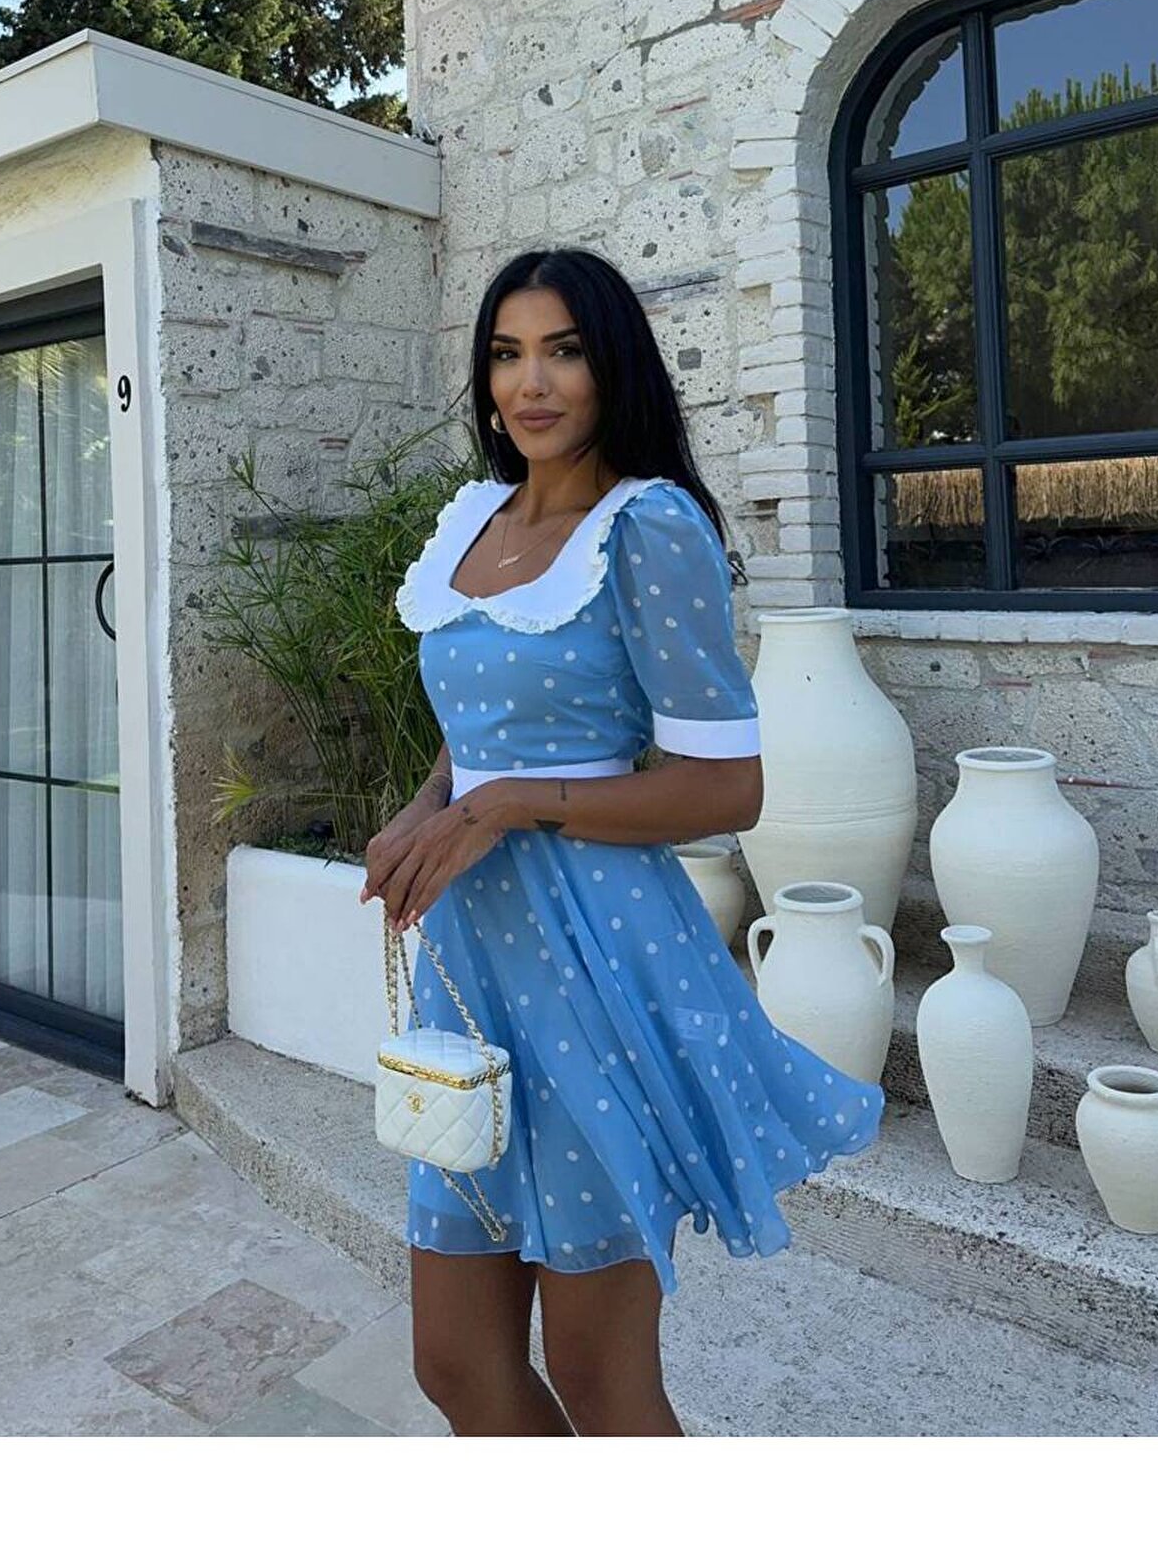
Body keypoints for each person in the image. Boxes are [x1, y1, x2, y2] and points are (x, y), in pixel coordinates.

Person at [360, 247, 884, 1437]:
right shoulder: (475, 522)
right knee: (454, 1361)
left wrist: (507, 806)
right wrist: (430, 802)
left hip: (596, 966)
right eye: (507, 355)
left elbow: (728, 787)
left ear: (613, 367)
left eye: (564, 351)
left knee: (599, 1376)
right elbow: (479, 726)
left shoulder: (647, 527)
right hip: (472, 966)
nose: (531, 383)